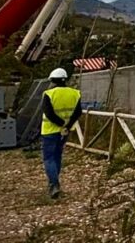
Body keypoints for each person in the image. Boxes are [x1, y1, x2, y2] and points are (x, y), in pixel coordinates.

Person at [41, 67, 82, 199]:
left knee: (49, 158)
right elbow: (78, 112)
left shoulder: (49, 94)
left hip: (49, 131)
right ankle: (54, 183)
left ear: (52, 80)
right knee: (57, 156)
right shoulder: (75, 93)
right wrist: (67, 125)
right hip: (64, 132)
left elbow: (49, 113)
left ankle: (54, 184)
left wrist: (60, 123)